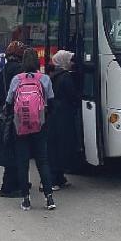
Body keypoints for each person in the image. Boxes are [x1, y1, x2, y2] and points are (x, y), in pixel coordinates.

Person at [6, 48, 56, 211]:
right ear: (37, 62)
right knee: (42, 161)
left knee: (23, 162)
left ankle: (26, 199)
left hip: (20, 126)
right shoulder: (45, 79)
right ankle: (49, 198)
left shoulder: (16, 79)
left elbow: (9, 103)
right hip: (40, 125)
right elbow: (51, 103)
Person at [0, 41, 26, 198]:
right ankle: (8, 187)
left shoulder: (3, 71)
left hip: (4, 113)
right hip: (16, 114)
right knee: (17, 150)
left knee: (9, 149)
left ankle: (18, 183)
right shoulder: (20, 71)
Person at [48, 50, 80, 189]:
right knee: (62, 147)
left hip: (53, 115)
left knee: (55, 148)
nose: (72, 63)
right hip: (63, 116)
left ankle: (59, 178)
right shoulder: (66, 77)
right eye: (70, 60)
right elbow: (72, 95)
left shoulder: (52, 75)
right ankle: (55, 179)